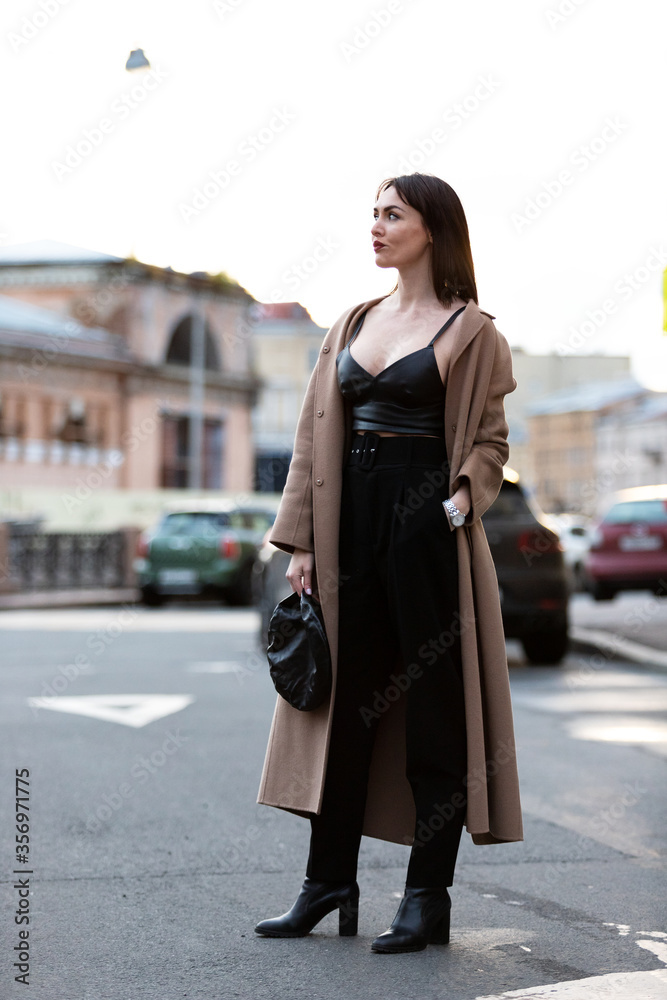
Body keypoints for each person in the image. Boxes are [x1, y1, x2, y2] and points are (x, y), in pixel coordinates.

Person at [255, 172, 523, 954]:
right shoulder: (350, 322)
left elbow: (491, 441)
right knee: (344, 705)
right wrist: (302, 540)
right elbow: (312, 440)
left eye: (391, 215)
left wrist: (461, 498)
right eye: (372, 214)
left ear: (431, 229)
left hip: (424, 529)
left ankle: (425, 897)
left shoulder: (473, 332)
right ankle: (326, 881)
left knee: (434, 711)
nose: (375, 227)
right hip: (347, 528)